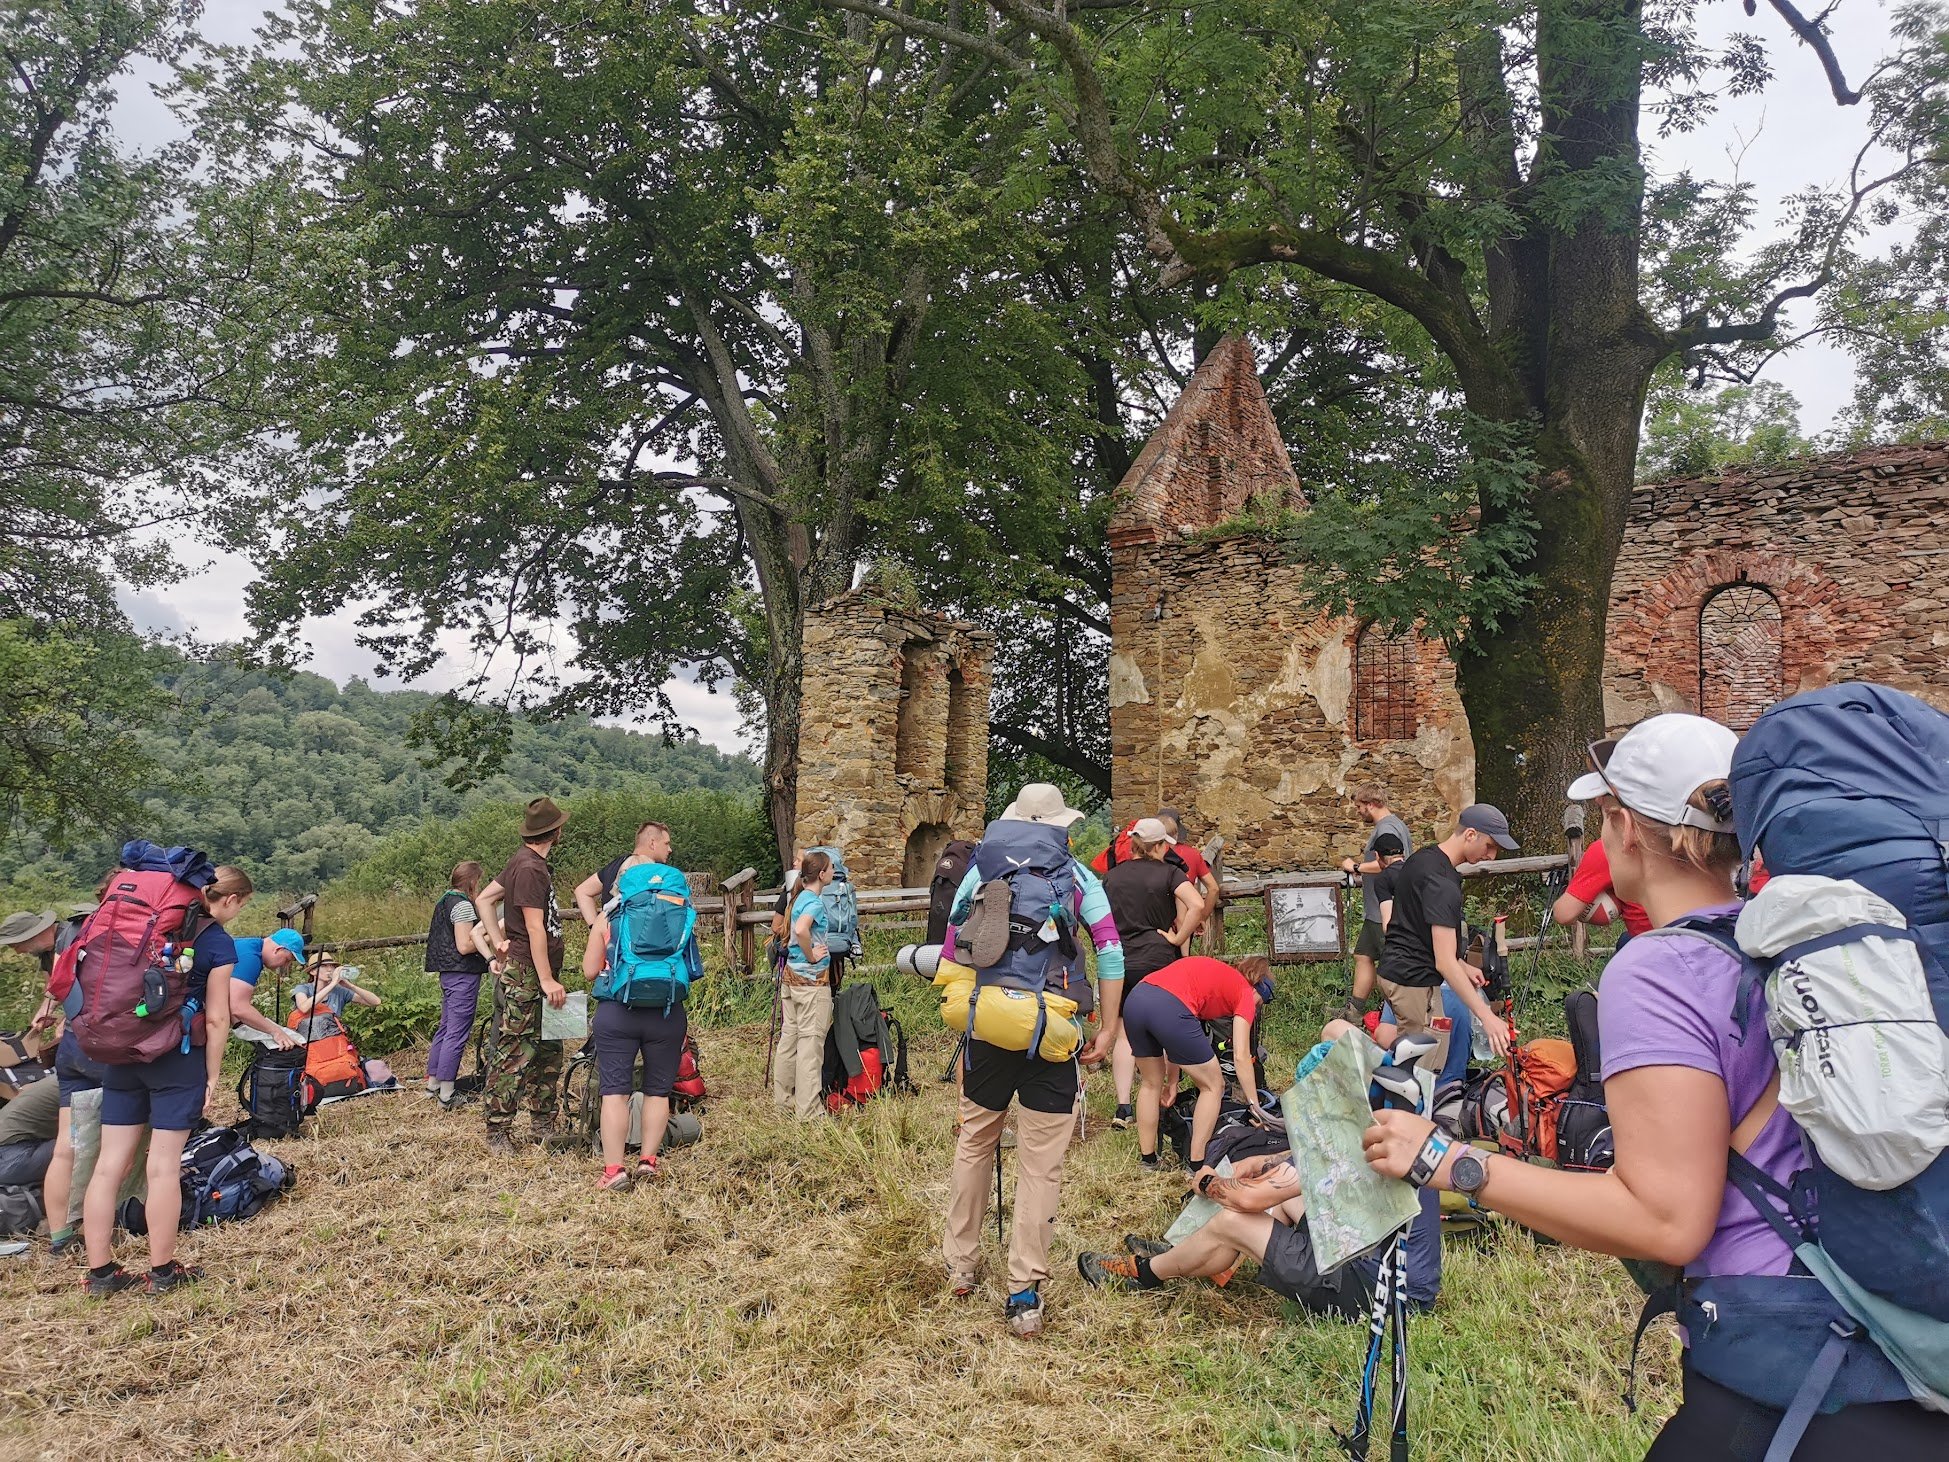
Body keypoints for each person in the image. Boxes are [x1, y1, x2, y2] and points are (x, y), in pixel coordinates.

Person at [1362, 714, 1949, 1458]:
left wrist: (1449, 1163)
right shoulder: (1791, 943)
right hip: (1894, 1339)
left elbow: (1665, 1221)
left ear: (1621, 825)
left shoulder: (1660, 969)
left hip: (1789, 1370)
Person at [940, 782, 1125, 1338]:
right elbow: (1110, 950)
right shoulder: (1078, 877)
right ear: (1060, 826)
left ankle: (962, 1266)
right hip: (1054, 1027)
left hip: (990, 1025)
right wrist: (1110, 1026)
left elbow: (953, 948)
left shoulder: (982, 871)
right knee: (1041, 1163)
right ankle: (1024, 1292)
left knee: (975, 1141)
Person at [80, 864, 246, 1296]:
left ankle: (100, 1274)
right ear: (227, 900)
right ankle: (162, 1271)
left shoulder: (142, 930)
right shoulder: (215, 941)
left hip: (122, 1053)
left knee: (109, 1165)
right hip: (176, 1059)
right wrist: (212, 1073)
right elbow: (217, 1016)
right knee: (163, 1166)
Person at [1077, 1148, 1443, 1314]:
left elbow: (1249, 1201)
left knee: (1232, 1220)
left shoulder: (1349, 1144)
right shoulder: (1393, 1133)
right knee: (1283, 1204)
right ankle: (1201, 1258)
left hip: (1383, 1296)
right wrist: (1257, 1164)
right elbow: (1278, 1167)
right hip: (1378, 1266)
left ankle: (1146, 1274)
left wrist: (1206, 1184)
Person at [581, 852, 701, 1190]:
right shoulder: (679, 915)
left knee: (615, 1093)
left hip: (616, 1014)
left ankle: (614, 1171)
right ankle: (648, 1163)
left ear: (621, 885)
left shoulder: (608, 920)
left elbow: (591, 971)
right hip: (666, 1013)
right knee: (658, 1092)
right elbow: (692, 969)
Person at [1375, 805, 1516, 1075]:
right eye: (1490, 846)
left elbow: (1416, 928)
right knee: (1421, 1069)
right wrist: (1487, 1018)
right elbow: (1444, 963)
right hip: (1412, 981)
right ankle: (1400, 1112)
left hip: (1400, 971)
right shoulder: (1442, 884)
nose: (1492, 855)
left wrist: (1462, 965)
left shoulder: (1424, 858)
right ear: (1471, 834)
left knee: (1427, 1051)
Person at [480, 797, 572, 1155]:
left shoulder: (522, 861)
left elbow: (486, 899)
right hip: (530, 975)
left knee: (549, 1047)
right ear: (556, 831)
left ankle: (542, 1123)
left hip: (532, 969)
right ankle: (498, 1130)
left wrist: (499, 941)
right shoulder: (531, 868)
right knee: (515, 1050)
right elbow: (535, 929)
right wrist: (546, 979)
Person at [1120, 954, 1268, 1171]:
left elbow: (1174, 1038)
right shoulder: (1245, 992)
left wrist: (1172, 1082)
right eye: (1262, 1002)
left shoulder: (1217, 978)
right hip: (1169, 1007)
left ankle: (1148, 1160)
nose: (1257, 1009)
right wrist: (1255, 1106)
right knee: (1213, 1085)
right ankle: (1197, 1165)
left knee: (1151, 1083)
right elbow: (1241, 1056)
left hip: (1136, 999)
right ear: (1258, 988)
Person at [1103, 818, 1202, 1131]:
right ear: (1159, 846)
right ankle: (1164, 1095)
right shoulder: (1171, 873)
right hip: (1159, 959)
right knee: (1167, 1029)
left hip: (1120, 960)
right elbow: (1197, 904)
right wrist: (1176, 937)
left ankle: (1123, 1105)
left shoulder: (1112, 877)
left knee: (1123, 1032)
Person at [8, 905, 97, 1257]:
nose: (15, 951)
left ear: (33, 935)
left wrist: (56, 1014)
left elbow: (68, 983)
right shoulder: (57, 946)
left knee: (69, 1144)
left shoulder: (68, 937)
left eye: (17, 943)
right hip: (91, 1050)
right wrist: (54, 1012)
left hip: (76, 1052)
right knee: (88, 1144)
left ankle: (61, 1233)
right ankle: (79, 1226)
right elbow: (64, 986)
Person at [424, 861, 495, 1109]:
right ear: (473, 882)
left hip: (447, 973)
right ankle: (447, 1093)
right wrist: (492, 933)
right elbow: (464, 945)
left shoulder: (444, 901)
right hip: (462, 974)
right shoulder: (463, 905)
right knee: (457, 1032)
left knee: (445, 1028)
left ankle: (433, 1083)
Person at [772, 850, 836, 1121]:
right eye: (831, 868)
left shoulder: (797, 897)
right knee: (810, 1045)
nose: (834, 871)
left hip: (791, 978)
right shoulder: (814, 902)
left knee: (790, 1039)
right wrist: (811, 955)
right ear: (821, 874)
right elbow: (800, 930)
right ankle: (808, 1110)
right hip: (811, 981)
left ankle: (784, 1100)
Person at [1340, 786, 1413, 1010]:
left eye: (1360, 807)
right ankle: (1355, 1009)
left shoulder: (1387, 828)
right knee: (1363, 955)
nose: (1358, 812)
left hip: (1385, 908)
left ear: (1371, 804)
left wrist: (1355, 866)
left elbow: (1390, 863)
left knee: (1394, 964)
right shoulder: (1394, 824)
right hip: (1376, 907)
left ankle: (1397, 1011)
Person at [1553, 836, 1650, 944]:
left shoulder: (1609, 848)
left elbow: (1564, 914)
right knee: (1624, 940)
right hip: (1669, 933)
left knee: (1624, 943)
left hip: (1646, 942)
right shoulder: (1667, 836)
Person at [573, 820, 673, 925]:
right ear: (652, 843)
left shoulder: (615, 865)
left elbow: (582, 891)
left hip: (611, 938)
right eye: (666, 843)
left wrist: (595, 928)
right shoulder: (651, 871)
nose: (669, 849)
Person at [226, 928, 307, 1049]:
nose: (286, 966)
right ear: (278, 949)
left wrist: (242, 1025)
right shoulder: (251, 958)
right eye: (287, 960)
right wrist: (276, 1032)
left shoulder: (247, 946)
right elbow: (238, 1007)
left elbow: (229, 998)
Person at [291, 954, 382, 1018]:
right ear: (312, 971)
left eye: (332, 966)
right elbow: (304, 1008)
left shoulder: (340, 991)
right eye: (324, 966)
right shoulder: (303, 988)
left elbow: (376, 1002)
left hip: (332, 1037)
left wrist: (350, 986)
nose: (330, 969)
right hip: (308, 1038)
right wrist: (332, 983)